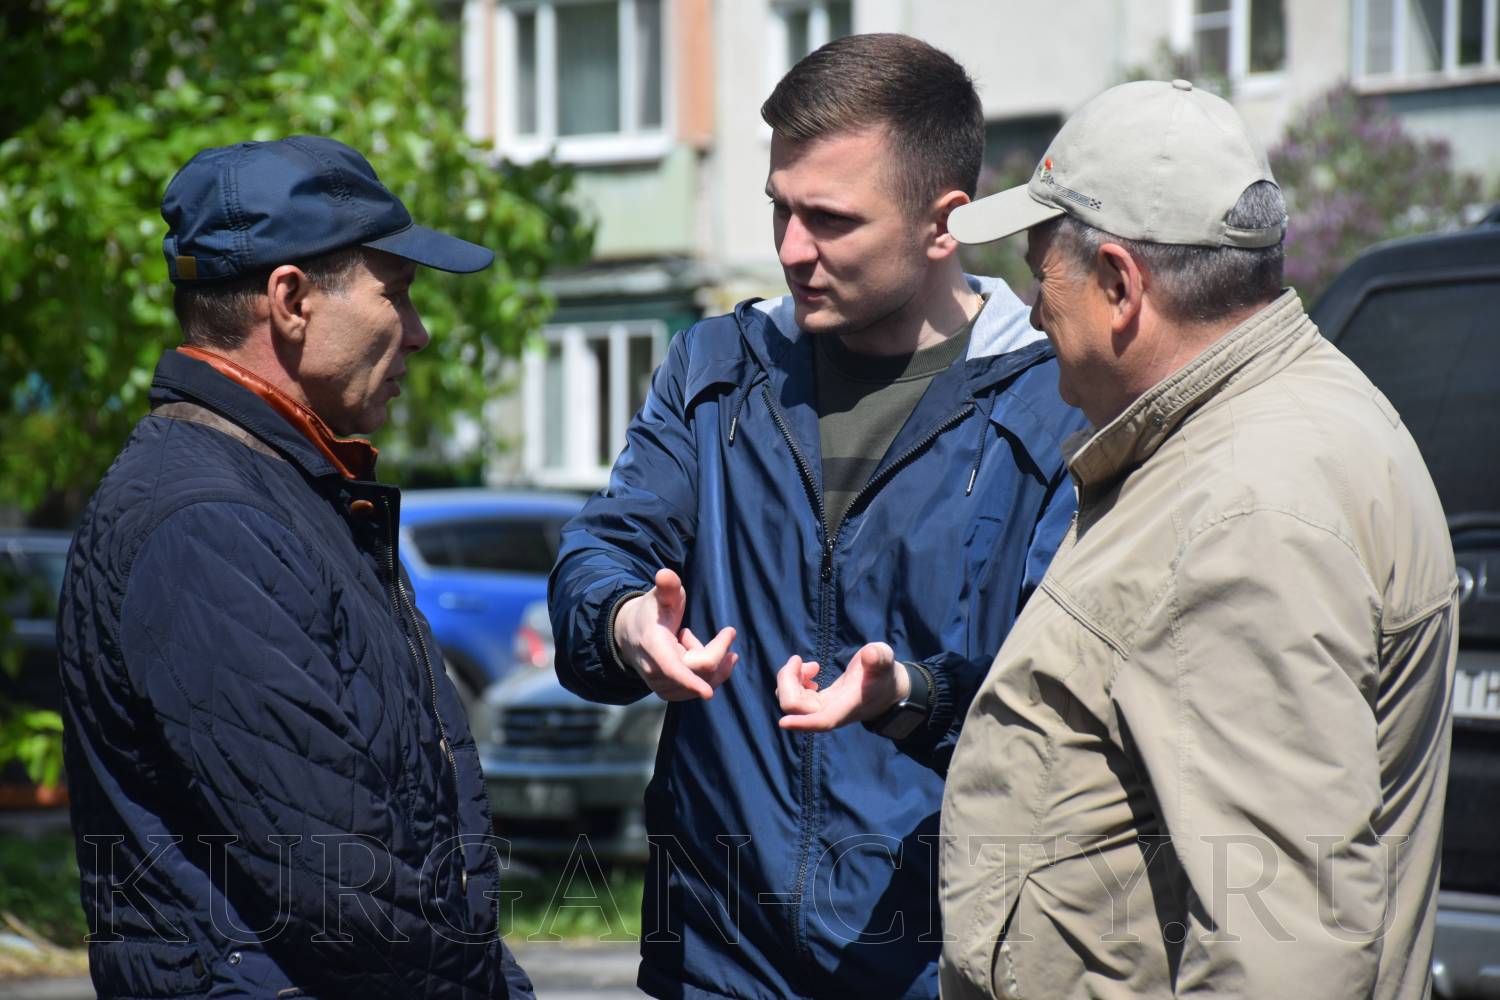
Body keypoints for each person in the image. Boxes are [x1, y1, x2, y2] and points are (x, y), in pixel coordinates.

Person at [782, 78, 1459, 998]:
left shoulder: (1243, 515)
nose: (1034, 310)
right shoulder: (1293, 422)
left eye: (1042, 277)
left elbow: (1284, 948)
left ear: (1118, 285)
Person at [548, 33, 1086, 1000]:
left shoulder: (1051, 400)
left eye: (830, 220)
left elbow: (1060, 696)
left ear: (943, 224)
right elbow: (605, 547)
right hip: (717, 959)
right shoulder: (715, 368)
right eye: (779, 209)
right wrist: (626, 622)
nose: (792, 249)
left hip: (940, 960)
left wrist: (911, 695)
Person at [56, 136, 534, 1000]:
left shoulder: (282, 489)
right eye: (397, 293)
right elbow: (343, 889)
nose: (418, 334)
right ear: (291, 300)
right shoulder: (207, 525)